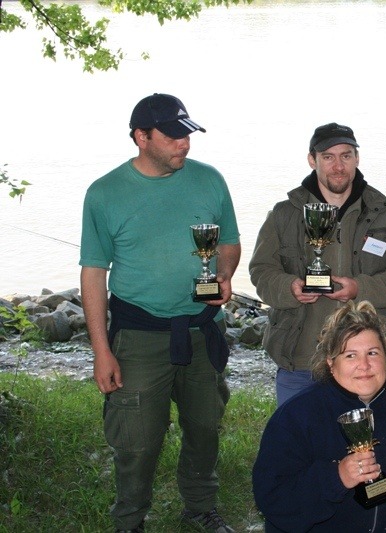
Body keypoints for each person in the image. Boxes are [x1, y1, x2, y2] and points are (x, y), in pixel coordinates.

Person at [80, 93, 241, 533]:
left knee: (205, 427)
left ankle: (200, 506)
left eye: (187, 133)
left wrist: (224, 273)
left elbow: (228, 241)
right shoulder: (104, 193)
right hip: (139, 335)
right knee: (136, 442)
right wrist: (101, 350)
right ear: (141, 137)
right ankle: (130, 520)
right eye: (173, 136)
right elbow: (93, 274)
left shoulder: (210, 180)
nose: (184, 144)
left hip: (202, 330)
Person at [249, 122, 386, 406]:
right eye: (328, 157)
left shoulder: (384, 213)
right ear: (312, 160)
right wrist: (289, 288)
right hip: (300, 357)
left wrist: (359, 289)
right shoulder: (284, 213)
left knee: (361, 444)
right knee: (299, 445)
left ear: (357, 159)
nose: (338, 166)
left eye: (346, 155)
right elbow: (261, 271)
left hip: (364, 362)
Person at [252, 301, 386, 531]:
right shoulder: (297, 416)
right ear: (331, 363)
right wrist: (336, 477)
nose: (364, 365)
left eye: (372, 353)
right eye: (350, 355)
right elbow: (274, 501)